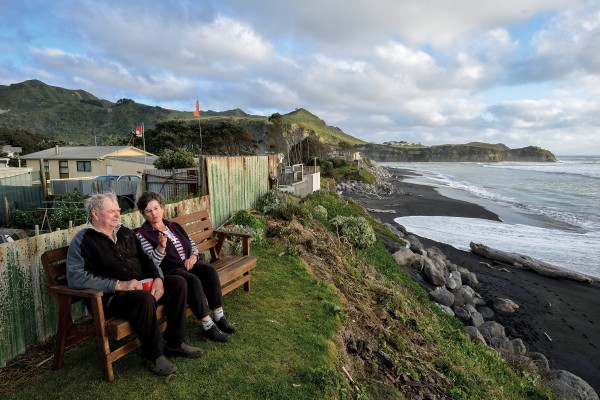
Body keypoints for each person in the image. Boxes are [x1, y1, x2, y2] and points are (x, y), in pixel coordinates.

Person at [66, 192, 204, 377]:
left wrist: (158, 279)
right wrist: (119, 285)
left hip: (140, 288)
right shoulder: (84, 240)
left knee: (178, 282)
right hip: (109, 299)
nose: (117, 215)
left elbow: (147, 260)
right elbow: (76, 277)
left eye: (118, 211)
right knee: (144, 298)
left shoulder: (125, 232)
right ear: (95, 214)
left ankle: (174, 343)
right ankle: (153, 355)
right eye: (111, 211)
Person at [136, 191, 237, 343]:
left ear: (162, 208)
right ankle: (207, 325)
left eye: (156, 208)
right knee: (192, 280)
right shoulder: (142, 235)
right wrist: (161, 248)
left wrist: (193, 257)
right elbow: (151, 263)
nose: (154, 213)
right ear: (143, 214)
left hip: (187, 264)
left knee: (209, 271)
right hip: (169, 272)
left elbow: (191, 245)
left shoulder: (173, 226)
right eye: (148, 211)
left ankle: (219, 316)